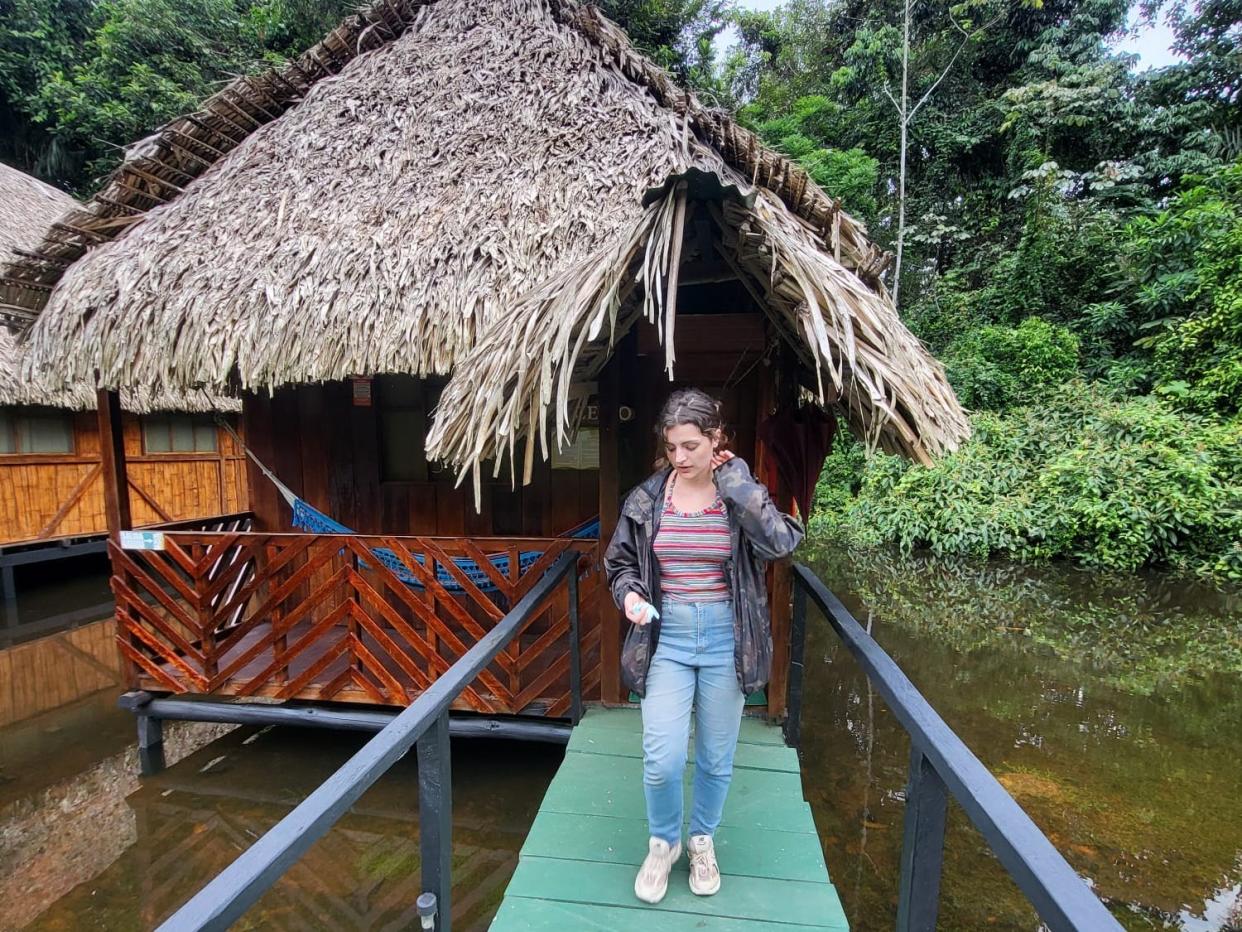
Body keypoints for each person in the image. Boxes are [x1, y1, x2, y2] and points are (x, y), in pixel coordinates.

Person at [604, 387, 804, 904]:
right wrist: (629, 596)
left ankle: (700, 839)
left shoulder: (739, 491)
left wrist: (738, 485)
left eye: (691, 445)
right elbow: (620, 563)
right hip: (665, 635)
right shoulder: (648, 498)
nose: (680, 457)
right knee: (662, 757)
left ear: (717, 439)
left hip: (726, 637)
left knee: (716, 757)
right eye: (672, 447)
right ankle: (664, 842)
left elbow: (780, 544)